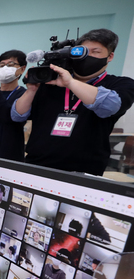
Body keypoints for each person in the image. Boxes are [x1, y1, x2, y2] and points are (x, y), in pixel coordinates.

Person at [12, 29, 134, 175]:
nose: (88, 56)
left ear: (110, 56)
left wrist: (70, 82)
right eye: (83, 51)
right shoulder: (50, 81)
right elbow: (17, 115)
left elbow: (110, 106)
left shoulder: (120, 84)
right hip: (36, 165)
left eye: (95, 52)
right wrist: (31, 90)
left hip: (83, 172)